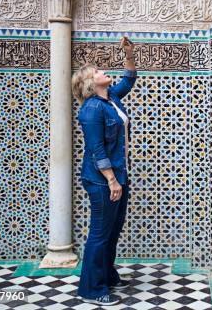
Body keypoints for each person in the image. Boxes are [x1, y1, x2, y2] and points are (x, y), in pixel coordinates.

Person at [71, 36, 137, 306]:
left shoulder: (111, 99)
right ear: (90, 83)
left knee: (113, 229)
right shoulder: (91, 109)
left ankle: (107, 274)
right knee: (100, 232)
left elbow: (129, 80)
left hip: (118, 176)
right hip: (102, 181)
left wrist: (129, 54)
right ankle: (91, 288)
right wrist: (111, 180)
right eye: (97, 71)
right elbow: (97, 149)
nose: (102, 71)